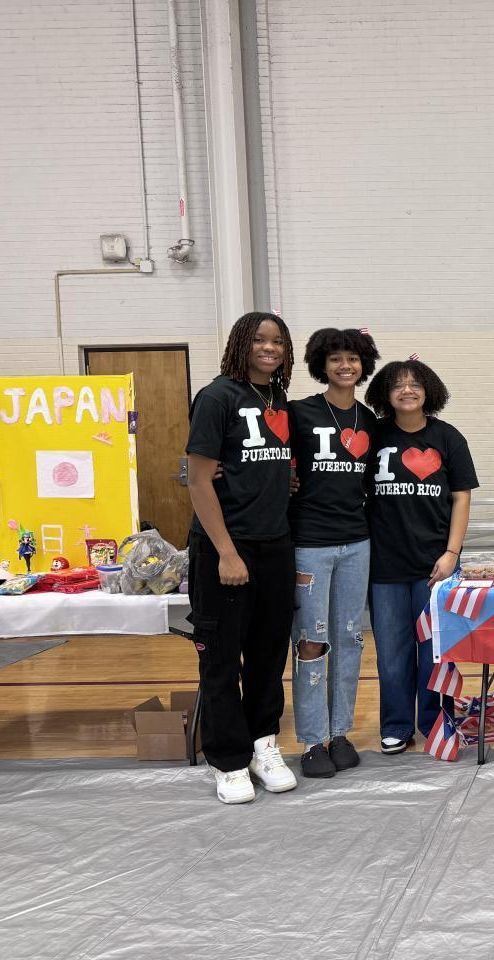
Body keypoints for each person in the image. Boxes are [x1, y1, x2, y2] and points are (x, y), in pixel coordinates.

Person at [185, 311, 298, 804]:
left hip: (276, 544)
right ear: (240, 343)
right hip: (225, 547)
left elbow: (264, 462)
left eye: (278, 341)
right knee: (221, 658)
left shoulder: (278, 398)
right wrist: (227, 552)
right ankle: (228, 760)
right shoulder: (216, 397)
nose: (269, 348)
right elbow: (197, 481)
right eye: (259, 339)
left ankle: (262, 744)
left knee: (269, 655)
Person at [364, 359, 478, 754]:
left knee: (436, 651)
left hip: (436, 566)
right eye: (398, 384)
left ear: (428, 390)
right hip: (385, 566)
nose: (407, 390)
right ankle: (396, 725)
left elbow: (461, 497)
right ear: (386, 393)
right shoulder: (374, 435)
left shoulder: (448, 437)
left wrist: (452, 553)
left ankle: (435, 721)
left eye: (415, 383)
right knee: (392, 653)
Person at [287, 327, 380, 778]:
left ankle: (340, 732)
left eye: (353, 359)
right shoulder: (299, 412)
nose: (346, 366)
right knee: (311, 642)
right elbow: (269, 460)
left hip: (357, 543)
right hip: (309, 544)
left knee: (350, 638)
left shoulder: (369, 420)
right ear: (321, 365)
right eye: (336, 359)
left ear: (364, 365)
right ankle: (311, 740)